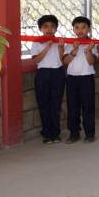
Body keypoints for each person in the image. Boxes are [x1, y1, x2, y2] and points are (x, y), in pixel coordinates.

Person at [62, 16, 97, 144]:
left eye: (83, 27)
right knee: (72, 106)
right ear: (73, 29)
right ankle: (74, 133)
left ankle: (90, 133)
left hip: (87, 78)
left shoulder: (92, 43)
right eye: (77, 27)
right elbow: (65, 61)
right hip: (72, 78)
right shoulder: (70, 43)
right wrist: (74, 50)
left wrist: (87, 50)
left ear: (88, 29)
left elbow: (91, 61)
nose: (80, 30)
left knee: (88, 106)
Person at [31, 15, 65, 144]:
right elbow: (36, 60)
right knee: (43, 103)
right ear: (40, 29)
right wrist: (47, 47)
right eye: (45, 27)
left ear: (56, 29)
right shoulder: (36, 42)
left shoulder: (60, 41)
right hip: (43, 74)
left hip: (58, 73)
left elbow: (62, 59)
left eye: (52, 26)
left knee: (56, 104)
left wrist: (60, 47)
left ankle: (55, 133)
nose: (49, 29)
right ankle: (46, 133)